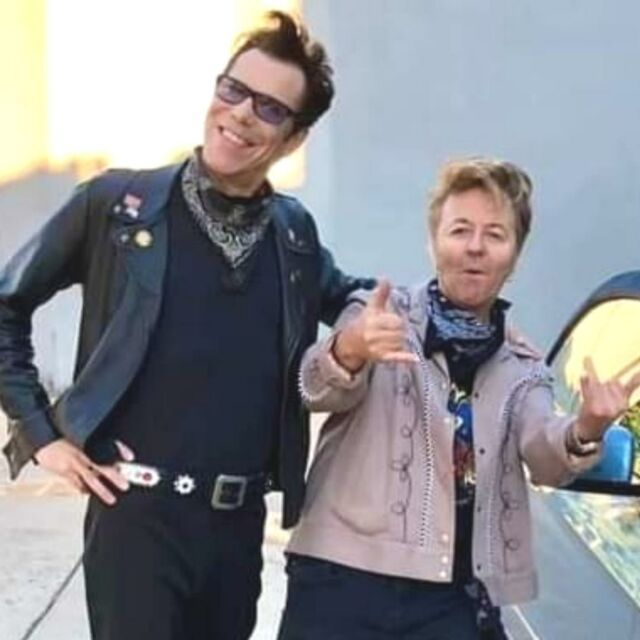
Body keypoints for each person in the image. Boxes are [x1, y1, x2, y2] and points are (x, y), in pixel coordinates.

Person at [0, 12, 372, 640]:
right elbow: (7, 303)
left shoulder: (293, 236)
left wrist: (449, 310)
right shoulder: (117, 206)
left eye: (270, 108)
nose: (241, 113)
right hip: (135, 523)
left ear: (294, 138)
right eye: (233, 89)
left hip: (237, 530)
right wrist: (40, 433)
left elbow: (354, 300)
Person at [277, 158, 640, 639]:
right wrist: (349, 349)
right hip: (339, 580)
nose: (475, 247)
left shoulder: (523, 365)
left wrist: (589, 425)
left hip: (452, 595)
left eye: (495, 234)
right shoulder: (379, 316)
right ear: (434, 242)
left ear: (514, 256)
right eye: (460, 230)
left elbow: (545, 456)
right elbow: (312, 389)